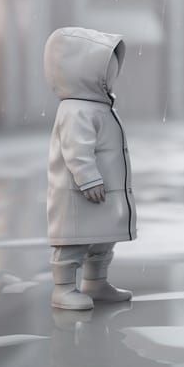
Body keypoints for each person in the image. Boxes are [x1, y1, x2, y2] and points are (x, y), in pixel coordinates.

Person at [44, 27, 137, 309]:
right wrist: (87, 178)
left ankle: (96, 282)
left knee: (102, 240)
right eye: (106, 70)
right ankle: (63, 289)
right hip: (81, 191)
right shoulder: (77, 110)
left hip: (103, 192)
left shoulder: (98, 106)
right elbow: (76, 149)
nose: (112, 76)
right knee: (72, 242)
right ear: (82, 72)